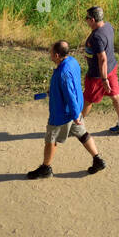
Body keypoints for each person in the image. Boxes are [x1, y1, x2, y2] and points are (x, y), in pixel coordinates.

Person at [27, 40, 106, 178]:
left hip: (62, 114)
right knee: (83, 134)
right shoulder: (72, 61)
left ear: (57, 55)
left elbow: (69, 94)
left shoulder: (62, 73)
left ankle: (46, 168)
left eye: (51, 52)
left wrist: (75, 114)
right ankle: (97, 159)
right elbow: (71, 85)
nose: (49, 54)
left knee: (51, 139)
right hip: (75, 109)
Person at [81, 5, 119, 134]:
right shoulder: (108, 26)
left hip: (98, 75)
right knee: (115, 95)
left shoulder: (97, 36)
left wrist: (103, 79)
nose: (85, 20)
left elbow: (102, 59)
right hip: (111, 69)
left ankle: (77, 124)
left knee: (88, 100)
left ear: (92, 20)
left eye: (87, 18)